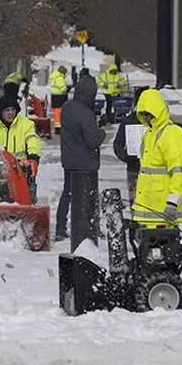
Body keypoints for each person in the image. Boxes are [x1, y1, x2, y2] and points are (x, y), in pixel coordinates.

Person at [131, 88, 182, 228]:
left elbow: (181, 171)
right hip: (151, 211)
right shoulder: (149, 134)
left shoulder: (171, 134)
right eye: (141, 114)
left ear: (157, 111)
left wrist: (173, 201)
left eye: (147, 113)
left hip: (165, 210)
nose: (144, 117)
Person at [56, 72, 106, 241]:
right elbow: (93, 140)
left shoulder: (67, 107)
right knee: (90, 196)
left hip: (69, 160)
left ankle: (60, 227)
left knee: (67, 194)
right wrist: (102, 133)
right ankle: (92, 227)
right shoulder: (86, 113)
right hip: (86, 163)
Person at [0, 92, 43, 204]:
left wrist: (33, 157)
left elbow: (33, 140)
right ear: (1, 111)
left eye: (13, 109)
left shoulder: (26, 124)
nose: (11, 113)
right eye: (7, 110)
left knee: (24, 210)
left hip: (21, 176)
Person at [112, 85, 149, 206]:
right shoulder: (129, 121)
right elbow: (118, 144)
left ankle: (137, 223)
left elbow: (117, 144)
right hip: (136, 167)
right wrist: (126, 158)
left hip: (141, 169)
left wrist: (125, 158)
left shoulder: (129, 120)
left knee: (138, 204)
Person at [49, 65, 69, 130]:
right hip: (60, 98)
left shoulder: (55, 77)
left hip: (55, 98)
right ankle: (58, 128)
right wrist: (68, 88)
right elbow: (63, 89)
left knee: (56, 114)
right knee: (59, 113)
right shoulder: (59, 78)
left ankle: (57, 127)